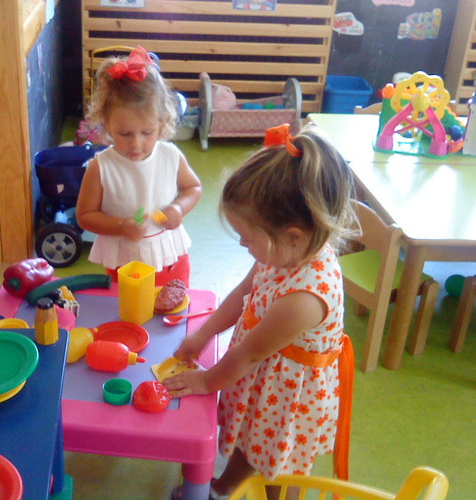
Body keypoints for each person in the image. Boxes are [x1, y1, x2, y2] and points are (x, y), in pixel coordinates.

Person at [163, 124, 357, 500]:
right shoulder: (283, 253)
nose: (242, 243)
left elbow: (250, 352)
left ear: (293, 235)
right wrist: (204, 334)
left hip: (288, 394)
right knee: (252, 437)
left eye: (248, 237)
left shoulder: (305, 297)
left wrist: (207, 382)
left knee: (280, 465)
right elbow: (242, 294)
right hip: (264, 377)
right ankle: (227, 485)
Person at [76, 46, 202, 287]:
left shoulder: (170, 156)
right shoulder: (101, 167)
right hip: (125, 261)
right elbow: (85, 216)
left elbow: (193, 188)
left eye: (147, 132)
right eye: (124, 134)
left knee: (171, 310)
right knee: (129, 312)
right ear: (106, 122)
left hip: (169, 256)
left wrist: (178, 208)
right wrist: (121, 226)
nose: (136, 144)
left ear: (162, 121)